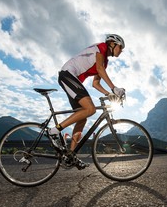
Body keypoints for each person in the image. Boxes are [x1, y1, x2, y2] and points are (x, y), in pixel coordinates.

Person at [49, 34, 126, 169]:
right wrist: (114, 88)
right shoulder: (101, 47)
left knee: (83, 117)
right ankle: (54, 131)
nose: (121, 50)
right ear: (112, 44)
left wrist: (109, 94)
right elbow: (100, 70)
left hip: (74, 80)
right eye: (121, 47)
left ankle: (71, 155)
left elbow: (95, 83)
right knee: (90, 109)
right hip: (68, 74)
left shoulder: (105, 62)